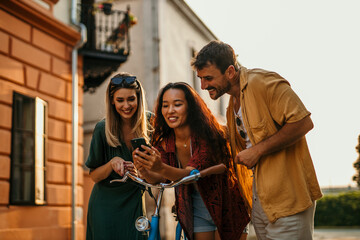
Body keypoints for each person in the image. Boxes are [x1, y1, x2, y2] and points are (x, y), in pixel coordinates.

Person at [191, 40, 323, 239]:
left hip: (288, 198)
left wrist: (258, 150)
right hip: (259, 201)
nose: (203, 85)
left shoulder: (262, 82)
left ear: (229, 72)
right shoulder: (232, 103)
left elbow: (303, 122)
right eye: (200, 79)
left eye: (208, 78)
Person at [133, 82, 250, 240]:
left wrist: (159, 167)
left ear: (191, 107)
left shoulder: (208, 135)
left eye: (177, 104)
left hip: (227, 202)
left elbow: (189, 175)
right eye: (165, 105)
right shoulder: (165, 141)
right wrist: (145, 169)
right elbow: (161, 179)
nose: (170, 111)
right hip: (194, 206)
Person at [85, 73, 151, 240]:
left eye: (131, 99)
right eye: (120, 100)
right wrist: (111, 164)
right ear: (112, 101)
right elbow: (93, 175)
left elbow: (158, 168)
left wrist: (141, 172)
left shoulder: (151, 123)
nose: (126, 105)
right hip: (105, 207)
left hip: (135, 202)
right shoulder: (102, 128)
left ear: (139, 98)